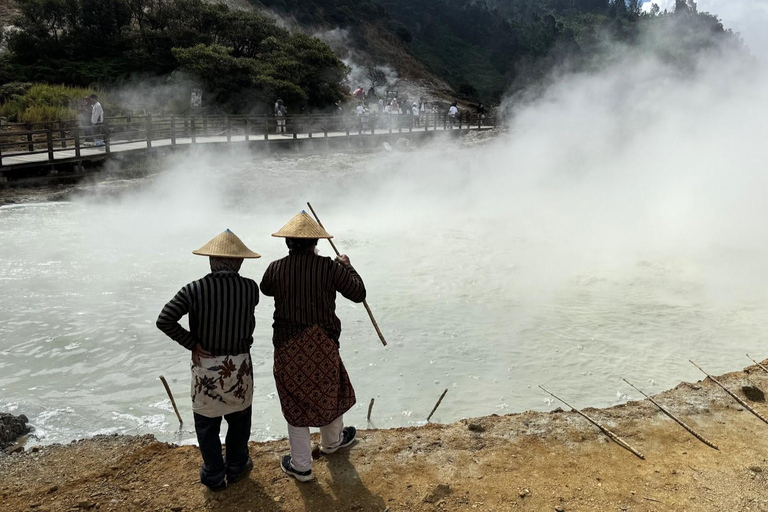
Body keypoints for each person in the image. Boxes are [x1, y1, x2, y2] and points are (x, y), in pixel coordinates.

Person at [260, 212, 366, 483]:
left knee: (295, 402)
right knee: (329, 389)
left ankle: (302, 466)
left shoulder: (275, 268)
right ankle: (332, 443)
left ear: (288, 243)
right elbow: (358, 294)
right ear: (315, 242)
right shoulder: (330, 268)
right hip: (323, 342)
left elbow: (266, 289)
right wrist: (347, 266)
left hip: (287, 346)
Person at [156, 230, 261, 492]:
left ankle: (214, 474)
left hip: (207, 367)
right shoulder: (250, 288)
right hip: (238, 366)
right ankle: (236, 466)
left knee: (207, 424)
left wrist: (192, 343)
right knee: (239, 420)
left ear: (211, 261)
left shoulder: (193, 289)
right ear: (238, 262)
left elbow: (164, 319)